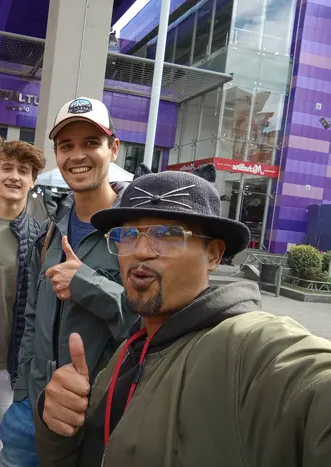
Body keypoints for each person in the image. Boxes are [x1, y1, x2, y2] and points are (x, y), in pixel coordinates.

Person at [36, 164, 331, 466]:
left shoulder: (243, 347)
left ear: (213, 254)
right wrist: (58, 426)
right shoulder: (127, 352)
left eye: (167, 234)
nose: (140, 251)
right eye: (128, 234)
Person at [0, 97, 136, 466]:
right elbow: (31, 318)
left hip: (95, 418)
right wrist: (23, 391)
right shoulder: (50, 232)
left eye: (91, 143)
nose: (77, 155)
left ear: (114, 148)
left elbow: (148, 324)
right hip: (31, 411)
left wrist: (89, 285)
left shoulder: (135, 234)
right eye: (66, 145)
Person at [0, 133, 46, 467]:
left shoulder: (41, 236)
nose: (15, 176)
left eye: (24, 171)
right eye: (8, 168)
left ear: (32, 181)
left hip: (5, 364)